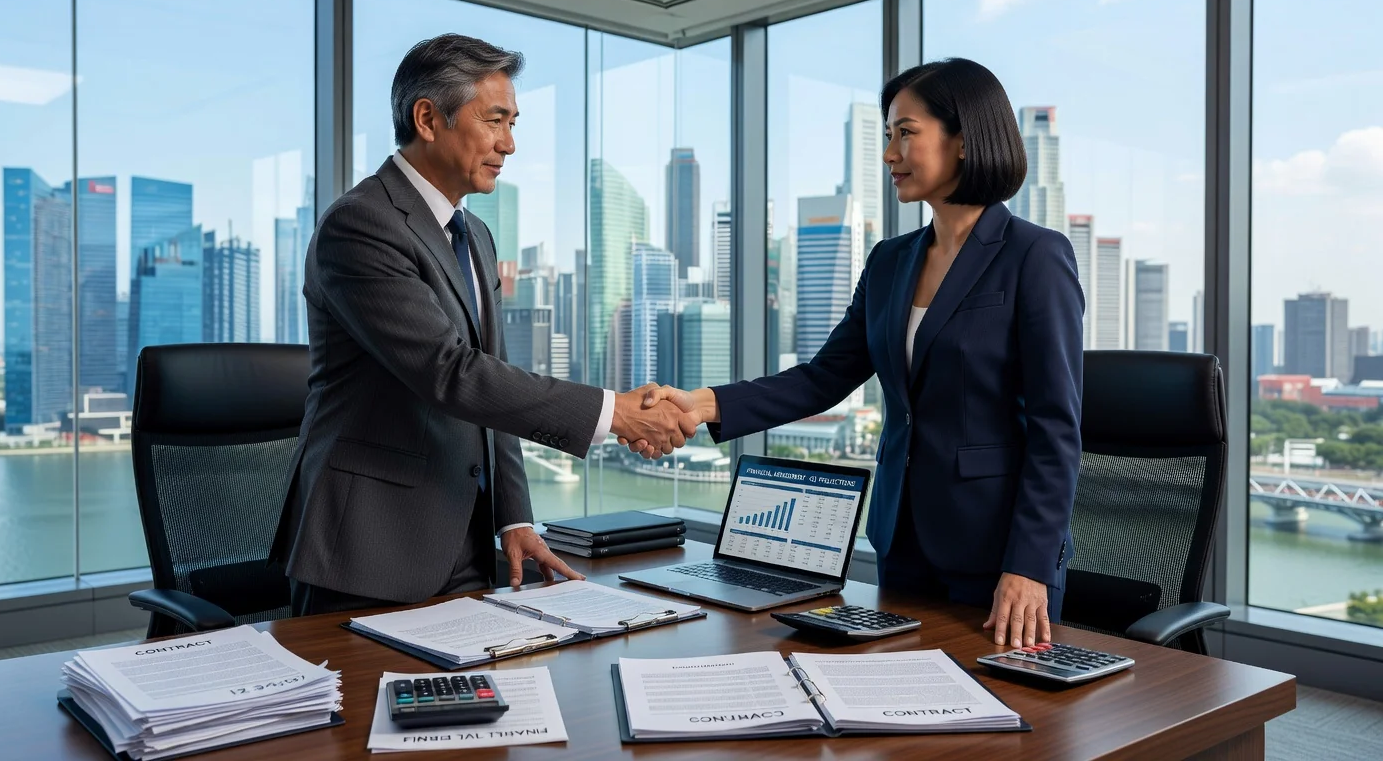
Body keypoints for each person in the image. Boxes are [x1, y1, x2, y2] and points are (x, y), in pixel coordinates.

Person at [626, 58, 1084, 649]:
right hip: (901, 538)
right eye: (887, 135)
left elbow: (1056, 429)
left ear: (964, 139)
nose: (890, 154)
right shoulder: (890, 261)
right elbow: (823, 377)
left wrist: (1029, 564)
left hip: (998, 554)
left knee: (996, 703)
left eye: (906, 133)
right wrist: (702, 404)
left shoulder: (1034, 256)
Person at [271, 34, 696, 616]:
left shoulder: (475, 235)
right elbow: (450, 373)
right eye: (494, 120)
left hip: (465, 541)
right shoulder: (361, 225)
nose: (509, 144)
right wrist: (614, 412)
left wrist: (514, 517)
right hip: (368, 550)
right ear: (428, 119)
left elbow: (493, 377)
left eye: (512, 124)